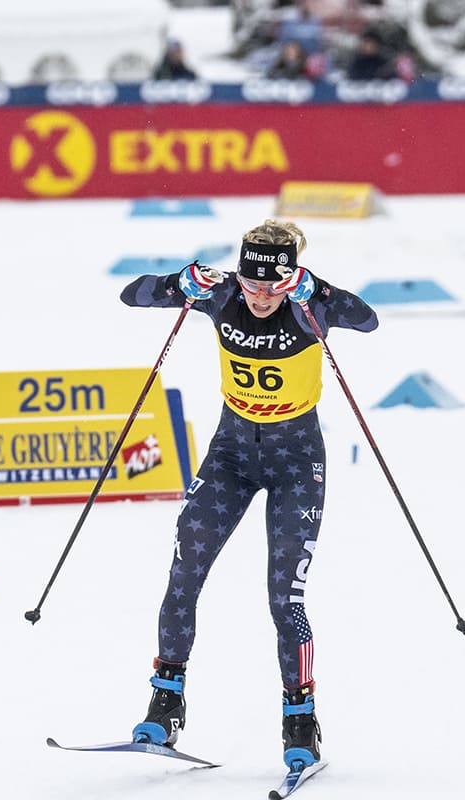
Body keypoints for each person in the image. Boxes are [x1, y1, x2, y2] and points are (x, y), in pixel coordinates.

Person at [119, 220, 379, 771]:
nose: (260, 298)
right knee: (185, 569)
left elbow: (368, 319)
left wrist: (321, 292)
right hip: (231, 455)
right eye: (251, 285)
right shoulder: (222, 293)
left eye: (273, 287)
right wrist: (178, 282)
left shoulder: (311, 305)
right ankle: (165, 703)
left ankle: (300, 720)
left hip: (295, 462)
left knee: (284, 597)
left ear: (290, 280)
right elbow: (131, 294)